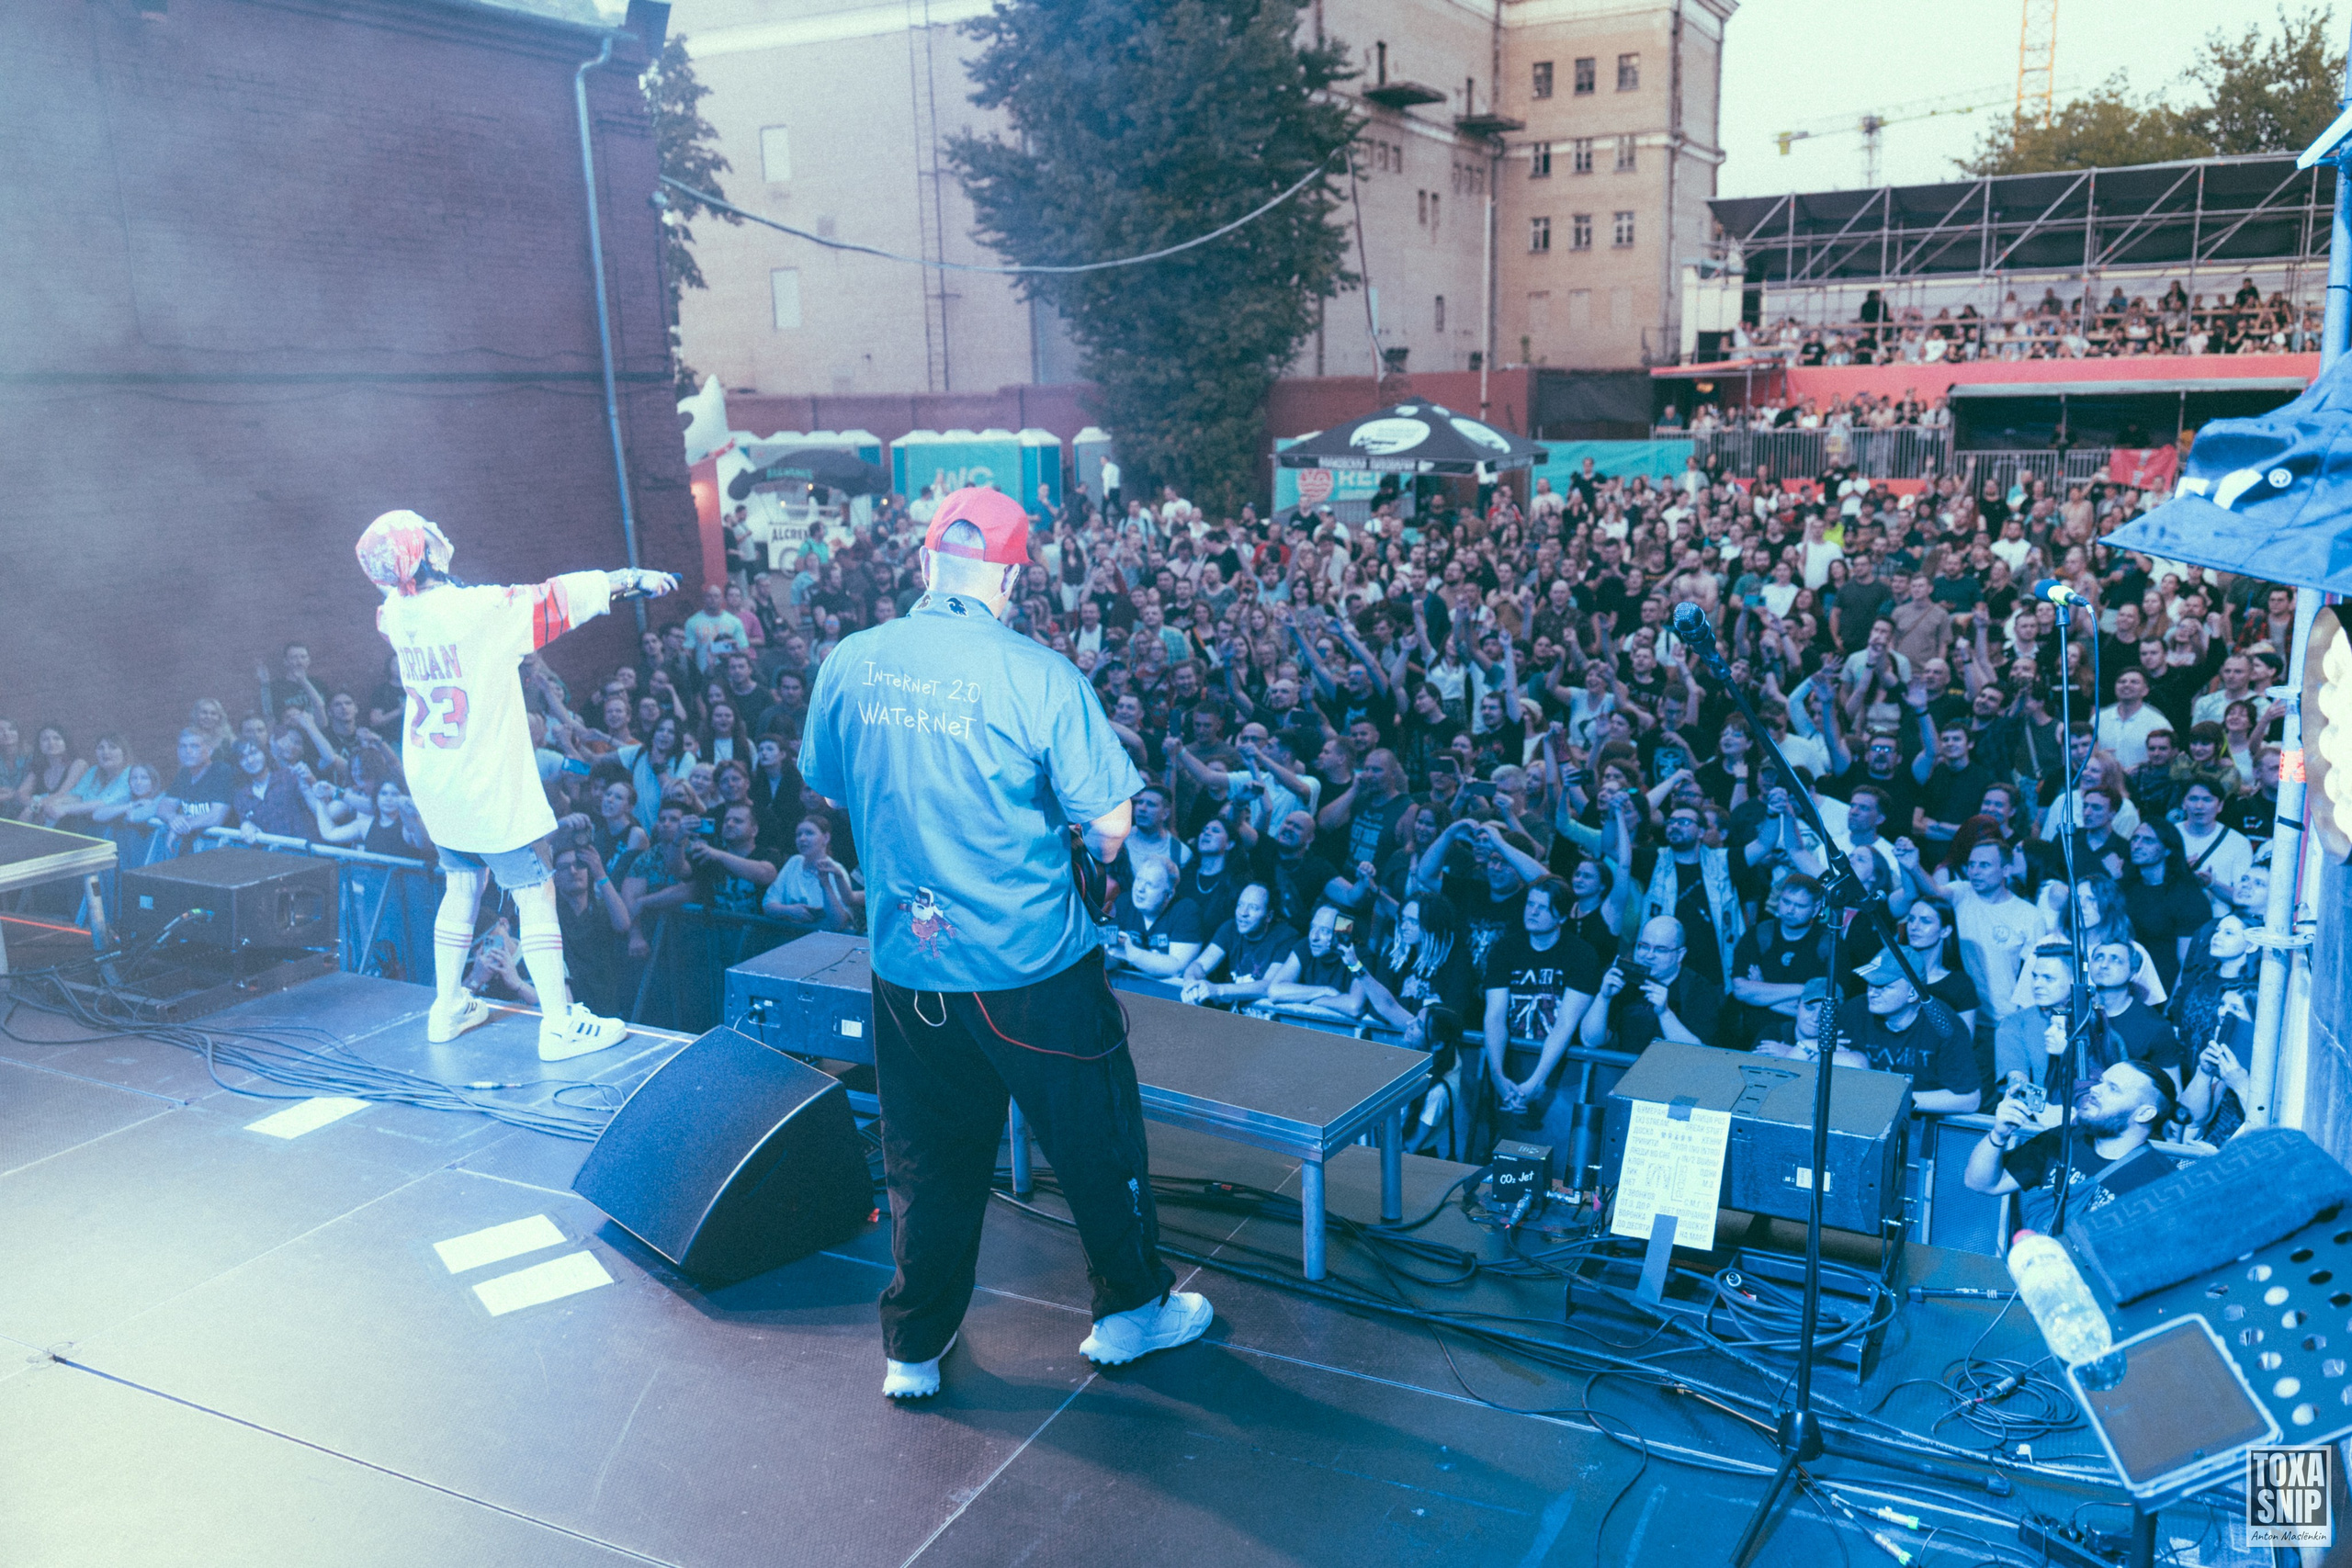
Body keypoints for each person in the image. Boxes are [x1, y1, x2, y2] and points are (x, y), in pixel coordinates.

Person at [797, 485, 1206, 1400]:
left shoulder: (853, 659)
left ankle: (913, 1344)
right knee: (1094, 1143)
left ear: (925, 564)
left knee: (926, 1159)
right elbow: (1109, 820)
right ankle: (1133, 1311)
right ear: (1014, 575)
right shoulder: (1038, 675)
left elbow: (823, 781)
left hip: (905, 963)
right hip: (1030, 967)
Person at [356, 508, 675, 1060]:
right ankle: (558, 1026)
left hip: (436, 776)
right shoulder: (475, 609)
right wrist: (629, 579)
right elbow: (554, 599)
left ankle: (447, 1006)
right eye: (432, 533)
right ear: (423, 552)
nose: (444, 534)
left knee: (462, 884)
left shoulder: (393, 616)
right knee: (535, 889)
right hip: (482, 778)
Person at [1962, 1060, 2177, 1232]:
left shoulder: (2163, 1182)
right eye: (2101, 1082)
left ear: (2145, 1113)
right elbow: (1982, 1184)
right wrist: (1998, 1135)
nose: (2095, 1090)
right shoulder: (2064, 1140)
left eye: (2113, 1089)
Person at [1838, 948, 1980, 1115]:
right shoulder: (1855, 1010)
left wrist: (1898, 1100)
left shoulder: (1944, 1025)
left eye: (1883, 986)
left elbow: (1970, 1100)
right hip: (1860, 1115)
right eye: (1870, 984)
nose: (1872, 993)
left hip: (1917, 1126)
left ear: (1912, 993)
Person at [1578, 916, 1722, 1054]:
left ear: (1680, 954)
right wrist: (1603, 998)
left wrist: (1665, 1013)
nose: (1649, 955)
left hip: (1673, 1074)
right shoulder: (1624, 980)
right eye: (1644, 946)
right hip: (1624, 1071)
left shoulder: (1699, 989)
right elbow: (1590, 1041)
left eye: (1660, 949)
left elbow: (1696, 1053)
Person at [1179, 882, 1298, 1006]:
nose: (1243, 913)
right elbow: (1200, 965)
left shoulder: (1286, 936)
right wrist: (1190, 983)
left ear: (1269, 916)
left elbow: (1267, 986)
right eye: (1240, 905)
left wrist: (1218, 990)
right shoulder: (1230, 928)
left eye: (1253, 907)